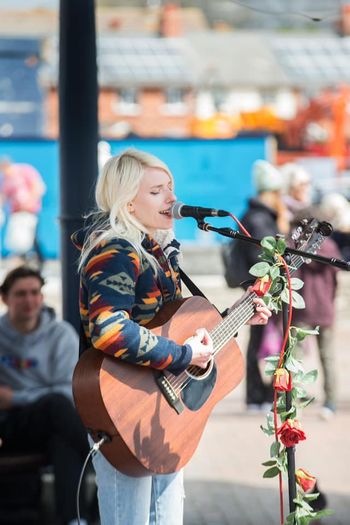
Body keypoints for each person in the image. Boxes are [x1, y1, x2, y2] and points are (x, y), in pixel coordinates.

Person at [72, 148, 272, 525]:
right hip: (124, 405)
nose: (171, 199)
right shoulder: (116, 250)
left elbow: (171, 325)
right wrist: (182, 355)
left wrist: (239, 314)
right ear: (128, 202)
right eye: (157, 191)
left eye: (171, 188)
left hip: (161, 408)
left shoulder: (159, 252)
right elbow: (109, 328)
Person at [0, 266, 92, 525]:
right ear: (5, 298)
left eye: (34, 293)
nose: (28, 300)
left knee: (61, 430)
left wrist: (16, 397)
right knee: (62, 420)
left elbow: (67, 391)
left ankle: (75, 519)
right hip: (7, 424)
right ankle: (101, 456)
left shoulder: (60, 335)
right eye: (20, 294)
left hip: (47, 417)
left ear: (41, 297)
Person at [231, 160, 289, 413]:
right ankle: (260, 395)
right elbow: (264, 259)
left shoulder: (254, 215)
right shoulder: (260, 218)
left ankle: (259, 395)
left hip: (257, 289)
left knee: (262, 341)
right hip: (261, 290)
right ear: (273, 193)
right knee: (264, 342)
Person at [0, 157, 46, 269]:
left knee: (32, 237)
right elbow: (4, 195)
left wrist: (30, 201)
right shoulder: (6, 178)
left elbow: (38, 187)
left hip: (30, 211)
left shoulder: (25, 171)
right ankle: (24, 261)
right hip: (17, 213)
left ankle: (39, 262)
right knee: (21, 239)